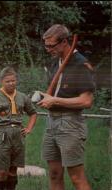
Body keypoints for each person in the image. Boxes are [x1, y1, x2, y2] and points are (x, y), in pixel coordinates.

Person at [38, 24, 95, 190]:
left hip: (70, 124)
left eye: (51, 45)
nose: (48, 49)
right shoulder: (56, 62)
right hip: (51, 123)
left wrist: (55, 101)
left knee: (76, 177)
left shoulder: (80, 64)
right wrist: (45, 98)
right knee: (54, 174)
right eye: (46, 45)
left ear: (64, 42)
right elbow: (59, 93)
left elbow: (86, 101)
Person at [0, 67, 37, 190]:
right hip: (1, 136)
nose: (11, 83)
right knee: (2, 171)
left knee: (13, 170)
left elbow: (33, 113)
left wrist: (29, 128)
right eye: (7, 81)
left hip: (18, 135)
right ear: (1, 82)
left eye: (13, 80)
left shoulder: (22, 96)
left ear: (16, 80)